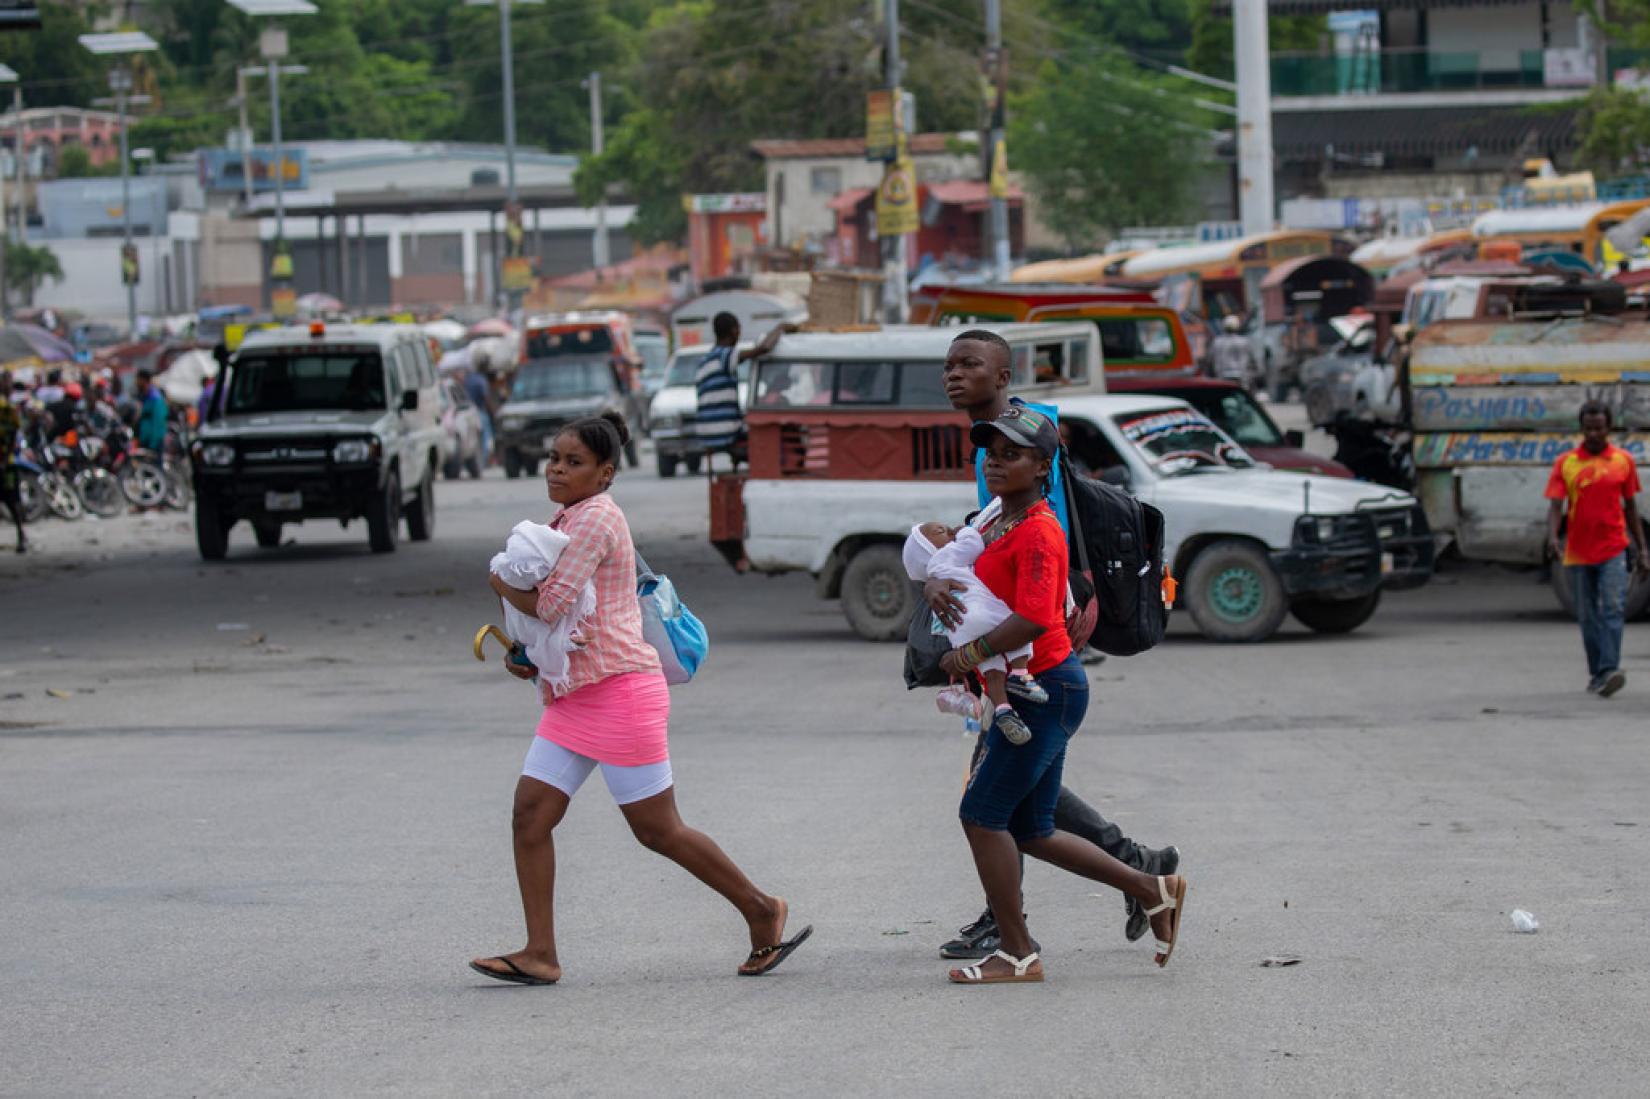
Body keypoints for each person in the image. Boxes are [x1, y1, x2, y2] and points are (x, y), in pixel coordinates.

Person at [469, 411, 810, 985]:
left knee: (657, 829)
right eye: (554, 457)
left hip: (622, 691)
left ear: (604, 474)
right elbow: (569, 619)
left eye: (573, 462)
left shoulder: (597, 518)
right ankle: (541, 953)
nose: (556, 468)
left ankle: (761, 907)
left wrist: (500, 584)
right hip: (575, 696)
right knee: (530, 814)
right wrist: (528, 655)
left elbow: (550, 604)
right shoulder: (569, 515)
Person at [928, 329, 1180, 960]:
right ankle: (1138, 873)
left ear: (1004, 376)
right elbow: (992, 536)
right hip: (1011, 651)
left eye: (970, 365)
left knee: (989, 798)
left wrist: (1074, 601)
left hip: (1031, 653)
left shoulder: (1026, 435)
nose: (955, 376)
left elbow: (1050, 534)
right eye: (950, 366)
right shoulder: (992, 448)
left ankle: (1011, 928)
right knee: (1016, 802)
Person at [903, 519, 1046, 744]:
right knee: (1015, 625)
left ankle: (1003, 708)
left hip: (960, 630)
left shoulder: (936, 573)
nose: (949, 529)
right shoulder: (947, 555)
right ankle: (1020, 675)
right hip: (978, 611)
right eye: (941, 531)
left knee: (990, 666)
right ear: (930, 550)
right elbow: (974, 545)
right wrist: (966, 531)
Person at [1544, 400, 1650, 698]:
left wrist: (1642, 550)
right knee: (1587, 614)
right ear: (1581, 429)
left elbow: (1631, 508)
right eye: (1588, 429)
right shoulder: (1566, 463)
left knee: (1614, 608)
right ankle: (1598, 673)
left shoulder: (1623, 461)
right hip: (1578, 551)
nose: (1593, 434)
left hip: (1614, 547)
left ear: (1609, 429)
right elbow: (1555, 506)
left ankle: (1609, 669)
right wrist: (1553, 537)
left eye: (1599, 429)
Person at [693, 313, 789, 469]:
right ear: (734, 331)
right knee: (772, 444)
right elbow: (764, 348)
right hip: (723, 430)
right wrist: (780, 328)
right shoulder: (724, 355)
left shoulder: (706, 360)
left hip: (705, 431)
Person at [0, 371, 26, 553]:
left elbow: (13, 434)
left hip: (6, 463)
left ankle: (21, 535)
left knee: (12, 500)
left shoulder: (7, 409)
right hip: (6, 461)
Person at [1210, 314, 1257, 389]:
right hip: (1241, 375)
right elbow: (1252, 361)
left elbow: (1211, 361)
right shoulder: (1244, 341)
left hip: (1222, 375)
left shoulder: (1217, 342)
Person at [463, 365, 495, 467]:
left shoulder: (468, 380)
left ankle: (477, 461)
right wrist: (492, 411)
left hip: (469, 412)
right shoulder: (481, 380)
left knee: (473, 437)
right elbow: (485, 397)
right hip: (480, 412)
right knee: (485, 437)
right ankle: (484, 461)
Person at [133, 370, 169, 453]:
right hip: (144, 441)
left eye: (138, 380)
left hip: (153, 443)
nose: (136, 383)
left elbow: (158, 421)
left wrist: (153, 444)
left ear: (143, 380)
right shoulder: (143, 397)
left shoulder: (155, 398)